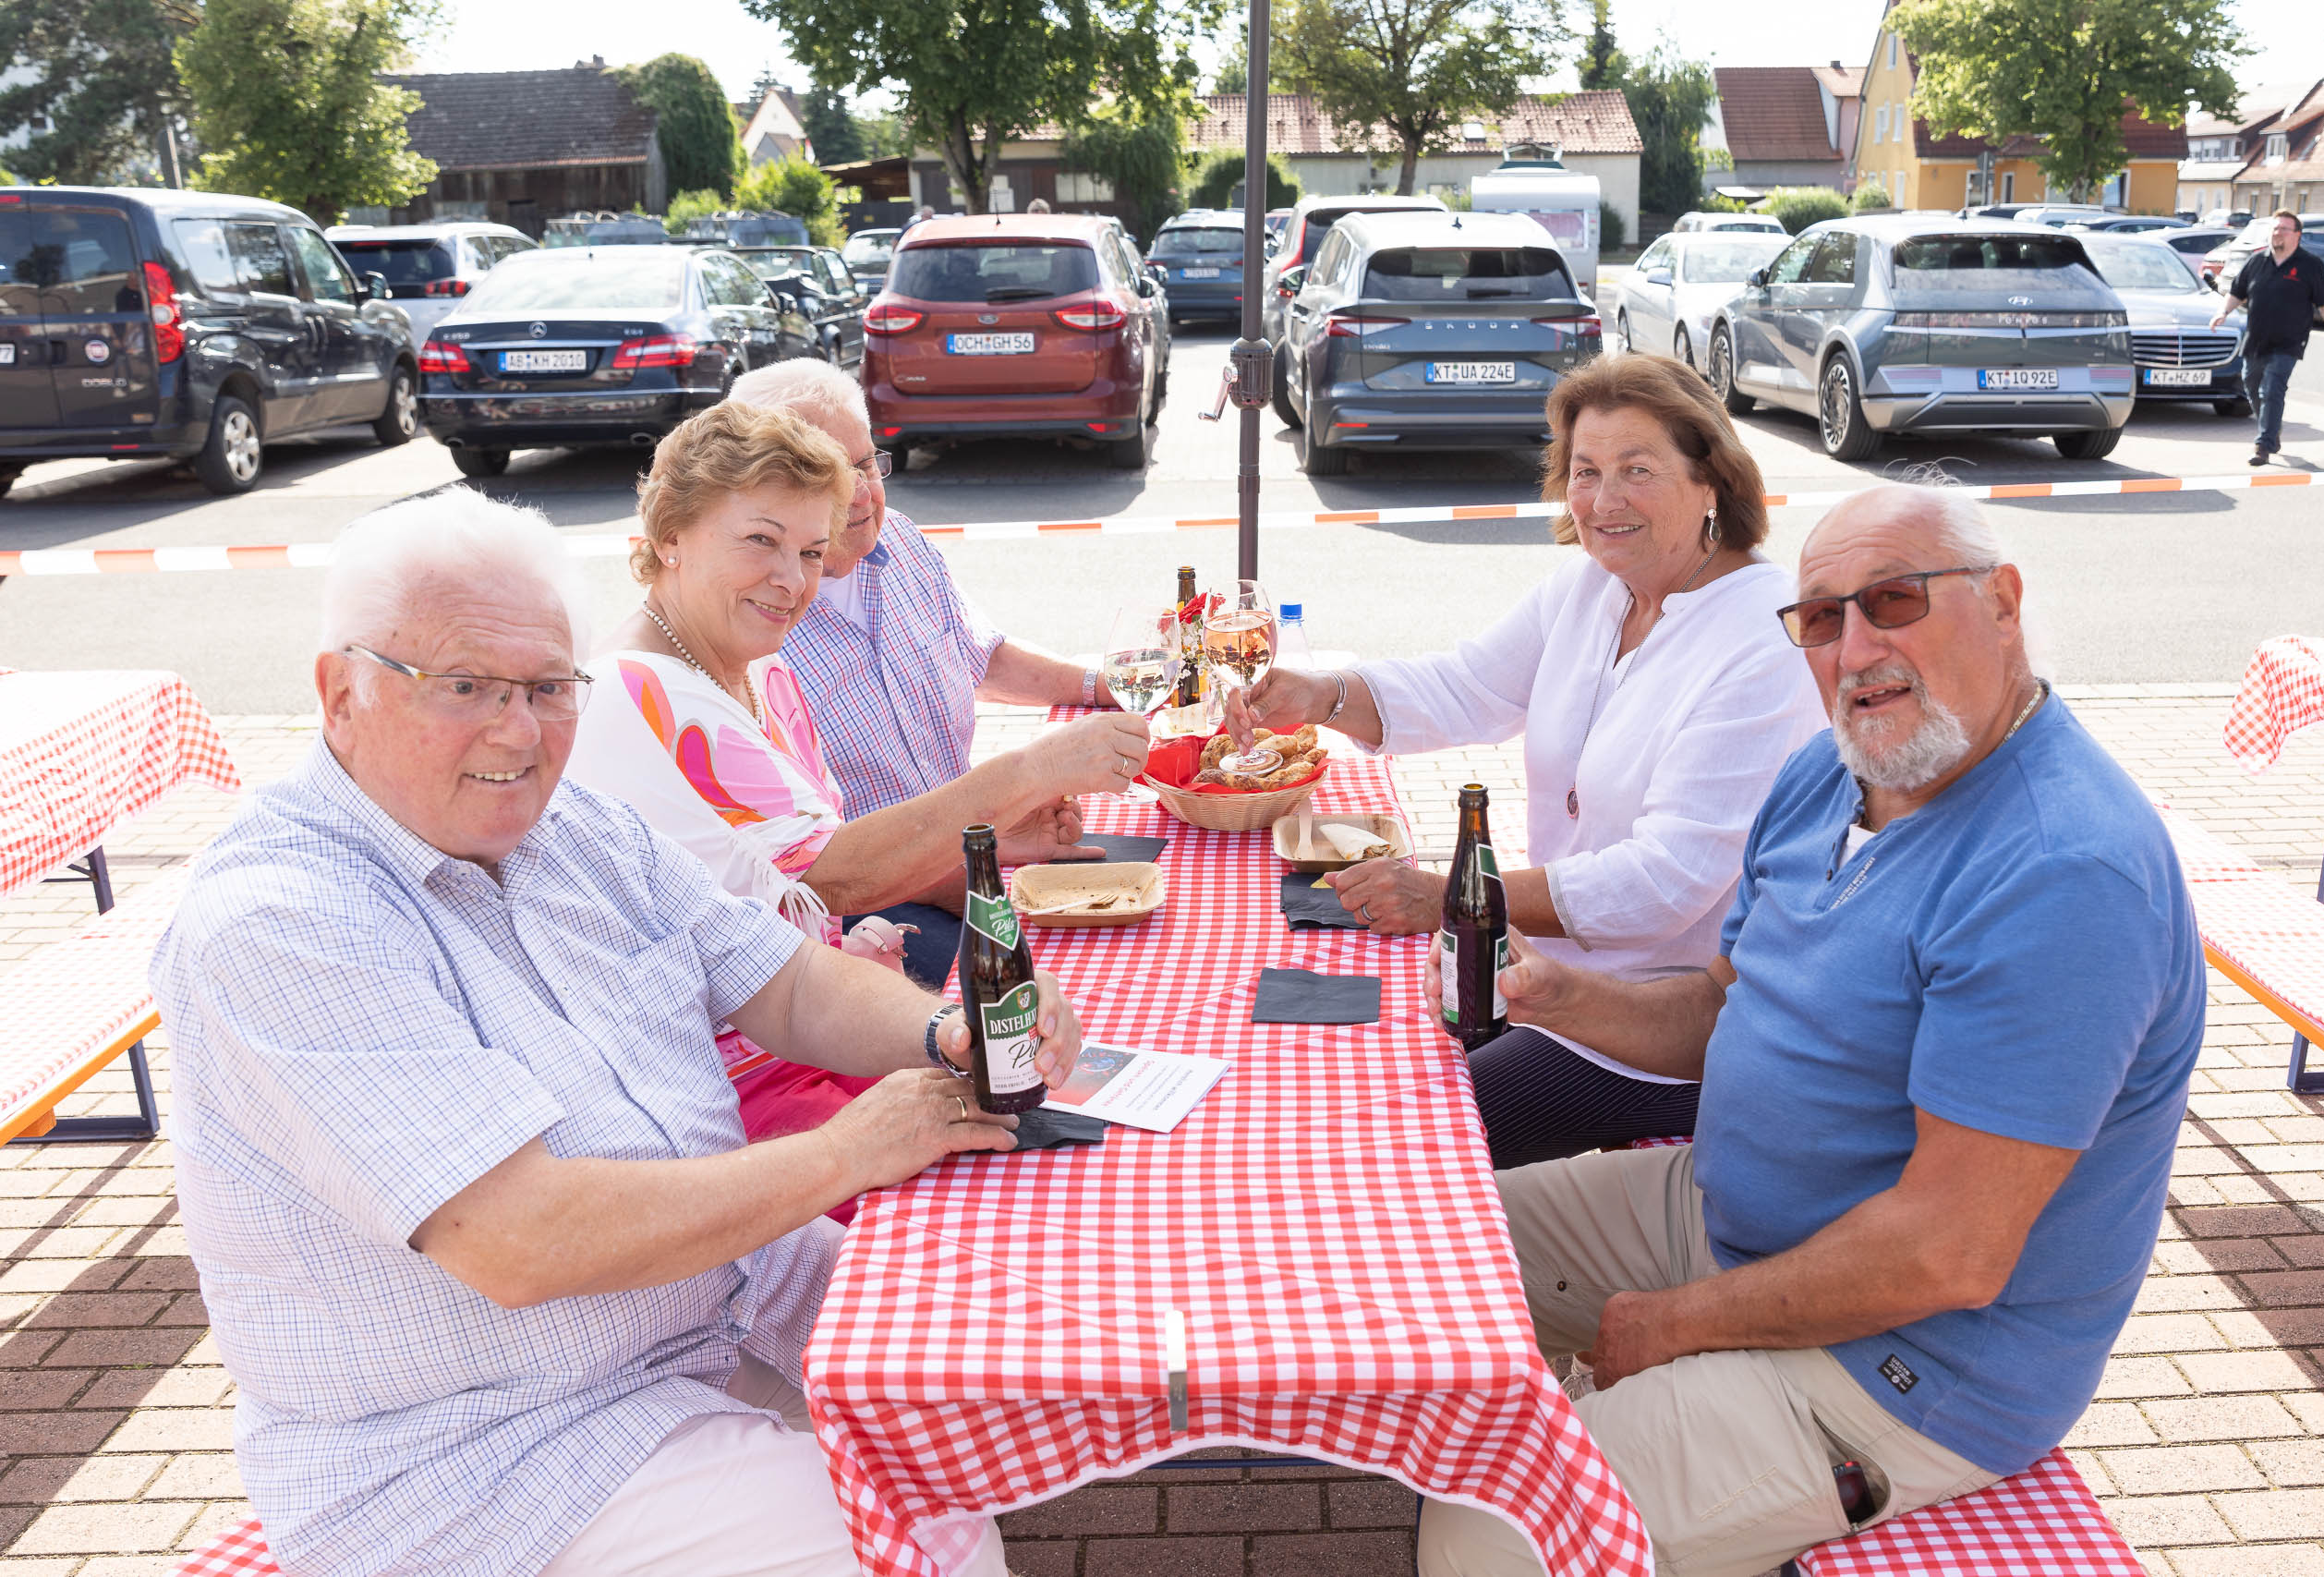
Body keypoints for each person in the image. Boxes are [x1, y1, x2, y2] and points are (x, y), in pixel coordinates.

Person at [151, 489, 1083, 1577]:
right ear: (339, 694)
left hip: (709, 1309)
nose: (518, 729)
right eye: (466, 686)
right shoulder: (284, 921)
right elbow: (520, 1240)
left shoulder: (572, 827)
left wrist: (951, 1033)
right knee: (924, 1539)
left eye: (549, 688)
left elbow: (782, 982)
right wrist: (851, 1151)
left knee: (998, 1348)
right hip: (489, 1454)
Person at [1414, 484, 2205, 1577]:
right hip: (1728, 1211)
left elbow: (1949, 1252)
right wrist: (1545, 992)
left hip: (1908, 1364)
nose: (1857, 646)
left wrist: (1678, 1326)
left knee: (1496, 1536)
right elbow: (1720, 1008)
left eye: (1893, 600)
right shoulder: (1828, 776)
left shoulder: (2062, 872)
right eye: (1822, 619)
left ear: (2004, 602)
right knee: (1422, 1253)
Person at [1235, 355, 1824, 1165]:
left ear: (1711, 480)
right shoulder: (1593, 587)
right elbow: (1466, 684)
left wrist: (1458, 895)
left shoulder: (1763, 636)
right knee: (1327, 1059)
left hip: (1650, 1029)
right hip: (1541, 979)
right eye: (1585, 471)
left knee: (1399, 1131)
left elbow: (1664, 881)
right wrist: (1322, 694)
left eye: (1637, 470)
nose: (1604, 500)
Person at [566, 401, 1147, 1123]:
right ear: (669, 536)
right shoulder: (643, 691)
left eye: (812, 552)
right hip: (727, 1096)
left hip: (813, 1042)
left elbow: (797, 890)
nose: (791, 580)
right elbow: (839, 874)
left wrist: (989, 843)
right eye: (760, 540)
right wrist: (1034, 768)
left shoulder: (757, 669)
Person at [2210, 208, 2324, 467]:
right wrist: (2222, 312)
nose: (2277, 233)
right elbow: (2237, 292)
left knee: (2272, 388)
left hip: (2289, 341)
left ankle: (2263, 444)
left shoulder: (2310, 265)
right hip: (2256, 338)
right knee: (2251, 386)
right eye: (2274, 228)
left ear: (2297, 235)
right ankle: (2272, 428)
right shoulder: (2257, 261)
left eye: (2283, 229)